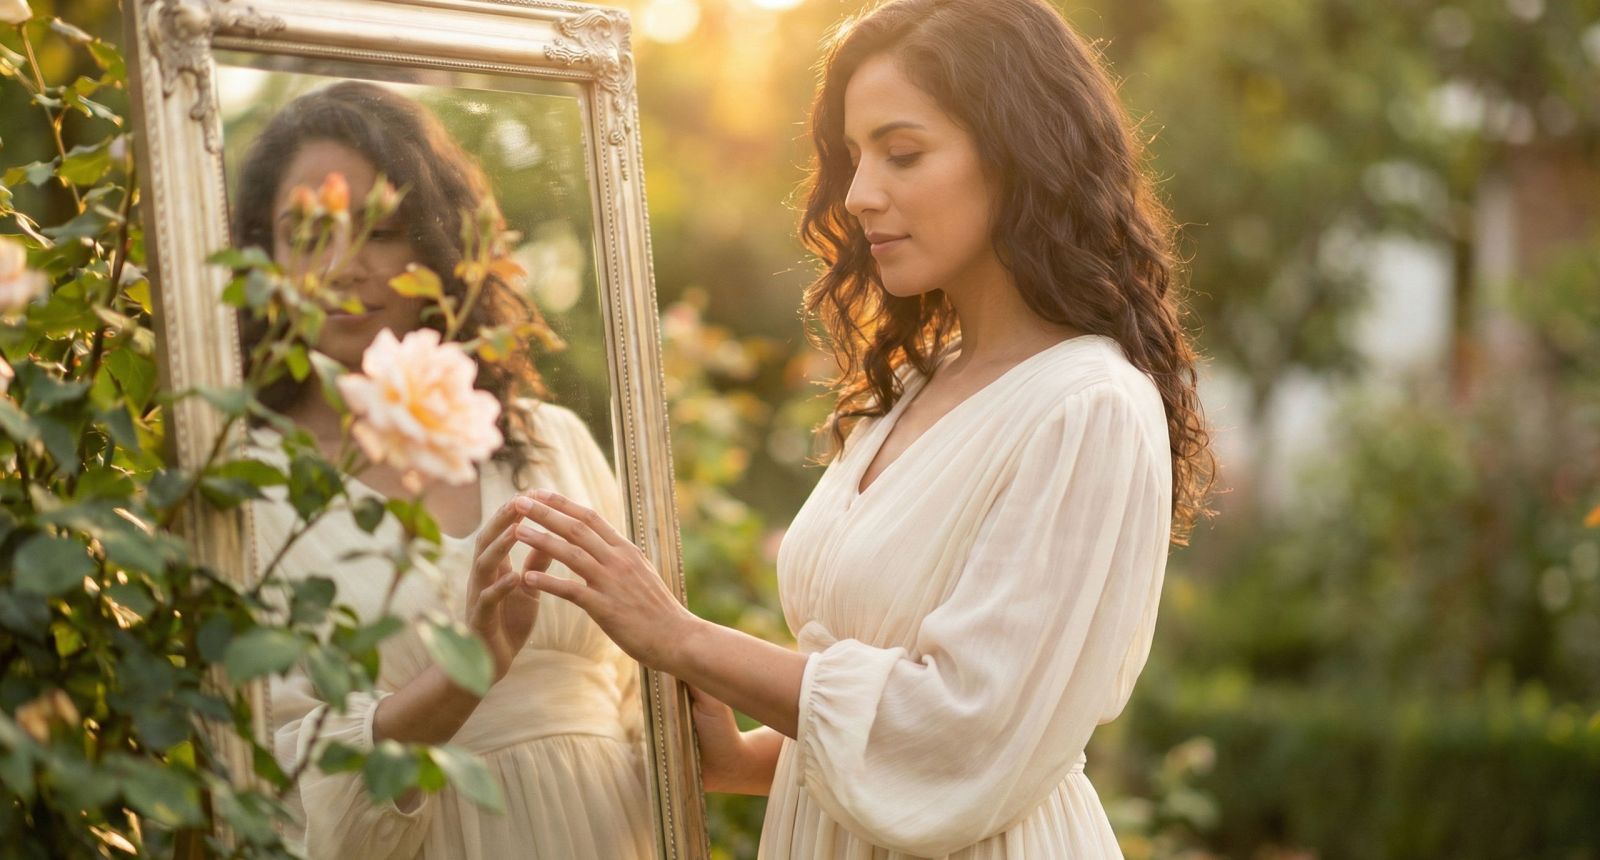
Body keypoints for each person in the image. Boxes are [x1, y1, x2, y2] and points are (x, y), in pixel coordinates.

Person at [513, 0, 1214, 857]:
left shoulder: (1087, 408)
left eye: (902, 152)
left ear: (1020, 154)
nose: (858, 194)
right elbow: (877, 717)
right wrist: (737, 758)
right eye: (853, 157)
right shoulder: (916, 384)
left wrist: (685, 640)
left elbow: (964, 736)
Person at [232, 81, 653, 859]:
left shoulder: (550, 445)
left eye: (381, 230)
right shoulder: (247, 489)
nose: (343, 265)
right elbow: (272, 792)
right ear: (264, 254)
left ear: (433, 243)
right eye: (307, 230)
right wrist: (465, 675)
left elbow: (644, 707)